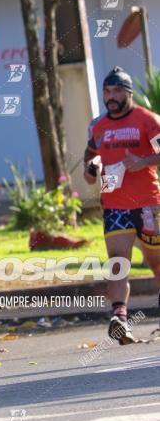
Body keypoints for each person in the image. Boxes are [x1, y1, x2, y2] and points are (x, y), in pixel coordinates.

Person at [83, 66, 160, 345]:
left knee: (157, 264)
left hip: (149, 203)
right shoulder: (98, 125)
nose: (110, 96)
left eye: (116, 91)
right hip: (114, 203)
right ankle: (119, 318)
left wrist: (142, 162)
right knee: (118, 263)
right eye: (106, 91)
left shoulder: (147, 120)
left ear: (128, 93)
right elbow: (90, 155)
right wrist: (90, 169)